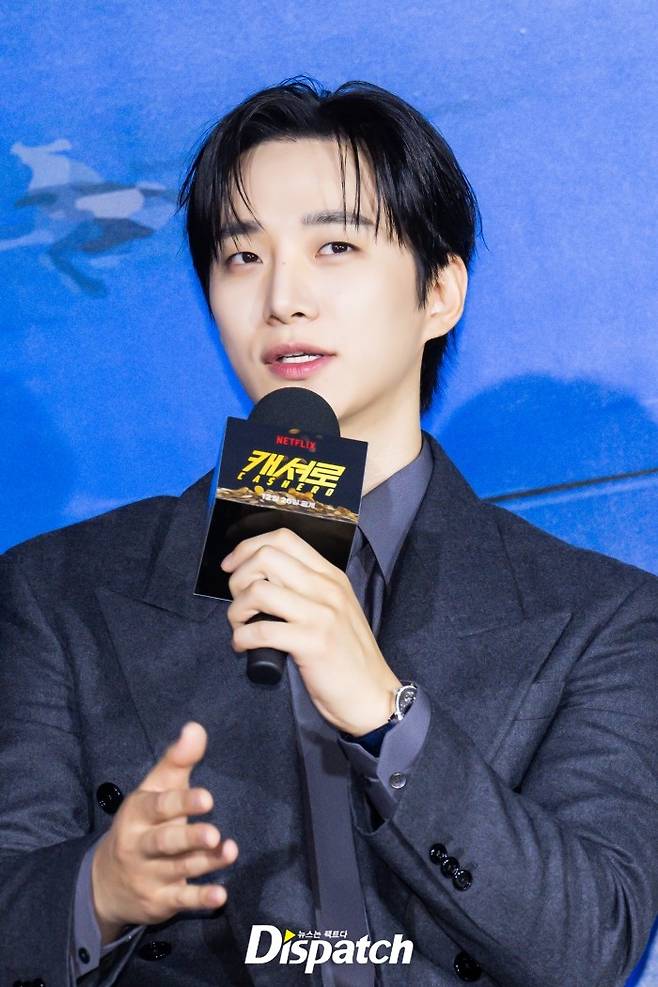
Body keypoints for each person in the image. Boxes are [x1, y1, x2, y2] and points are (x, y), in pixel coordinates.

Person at [1, 75, 656, 987]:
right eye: (242, 256)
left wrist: (388, 718)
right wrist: (99, 889)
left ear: (440, 292)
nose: (283, 298)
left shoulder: (606, 619)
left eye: (335, 246)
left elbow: (589, 946)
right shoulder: (56, 590)